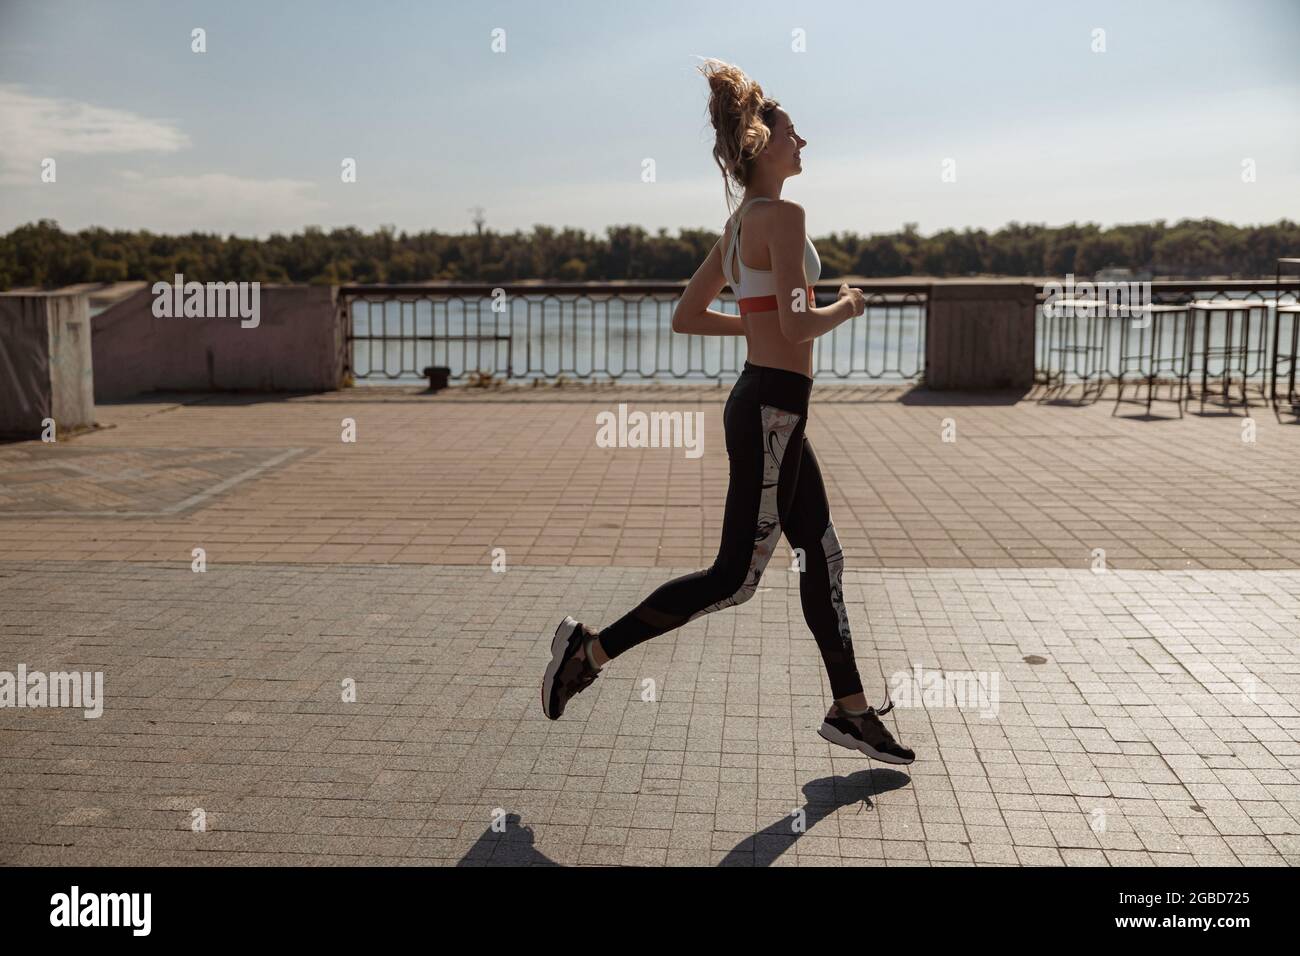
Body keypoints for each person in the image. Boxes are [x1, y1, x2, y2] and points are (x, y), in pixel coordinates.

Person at [542, 58, 914, 766]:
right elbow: (802, 329)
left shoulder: (741, 224)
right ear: (761, 144)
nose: (803, 143)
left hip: (771, 405)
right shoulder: (782, 216)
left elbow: (688, 314)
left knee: (821, 556)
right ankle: (586, 652)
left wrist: (757, 324)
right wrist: (849, 304)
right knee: (733, 579)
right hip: (774, 409)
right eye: (793, 134)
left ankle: (851, 709)